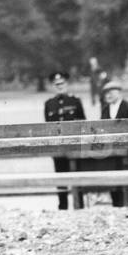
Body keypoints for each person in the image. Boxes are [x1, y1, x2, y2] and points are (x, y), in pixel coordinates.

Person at [44, 70, 87, 211]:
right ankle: (62, 206)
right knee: (60, 177)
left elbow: (83, 122)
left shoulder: (75, 101)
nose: (59, 86)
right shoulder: (49, 104)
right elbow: (48, 126)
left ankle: (79, 205)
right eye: (56, 84)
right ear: (52, 86)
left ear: (66, 84)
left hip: (74, 146)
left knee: (77, 175)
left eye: (61, 83)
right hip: (58, 147)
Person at [100, 80, 128, 207]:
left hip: (126, 150)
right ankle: (116, 204)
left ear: (119, 92)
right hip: (110, 151)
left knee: (126, 178)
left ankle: (127, 203)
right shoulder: (105, 109)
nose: (108, 96)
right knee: (112, 177)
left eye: (110, 92)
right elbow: (101, 128)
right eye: (106, 93)